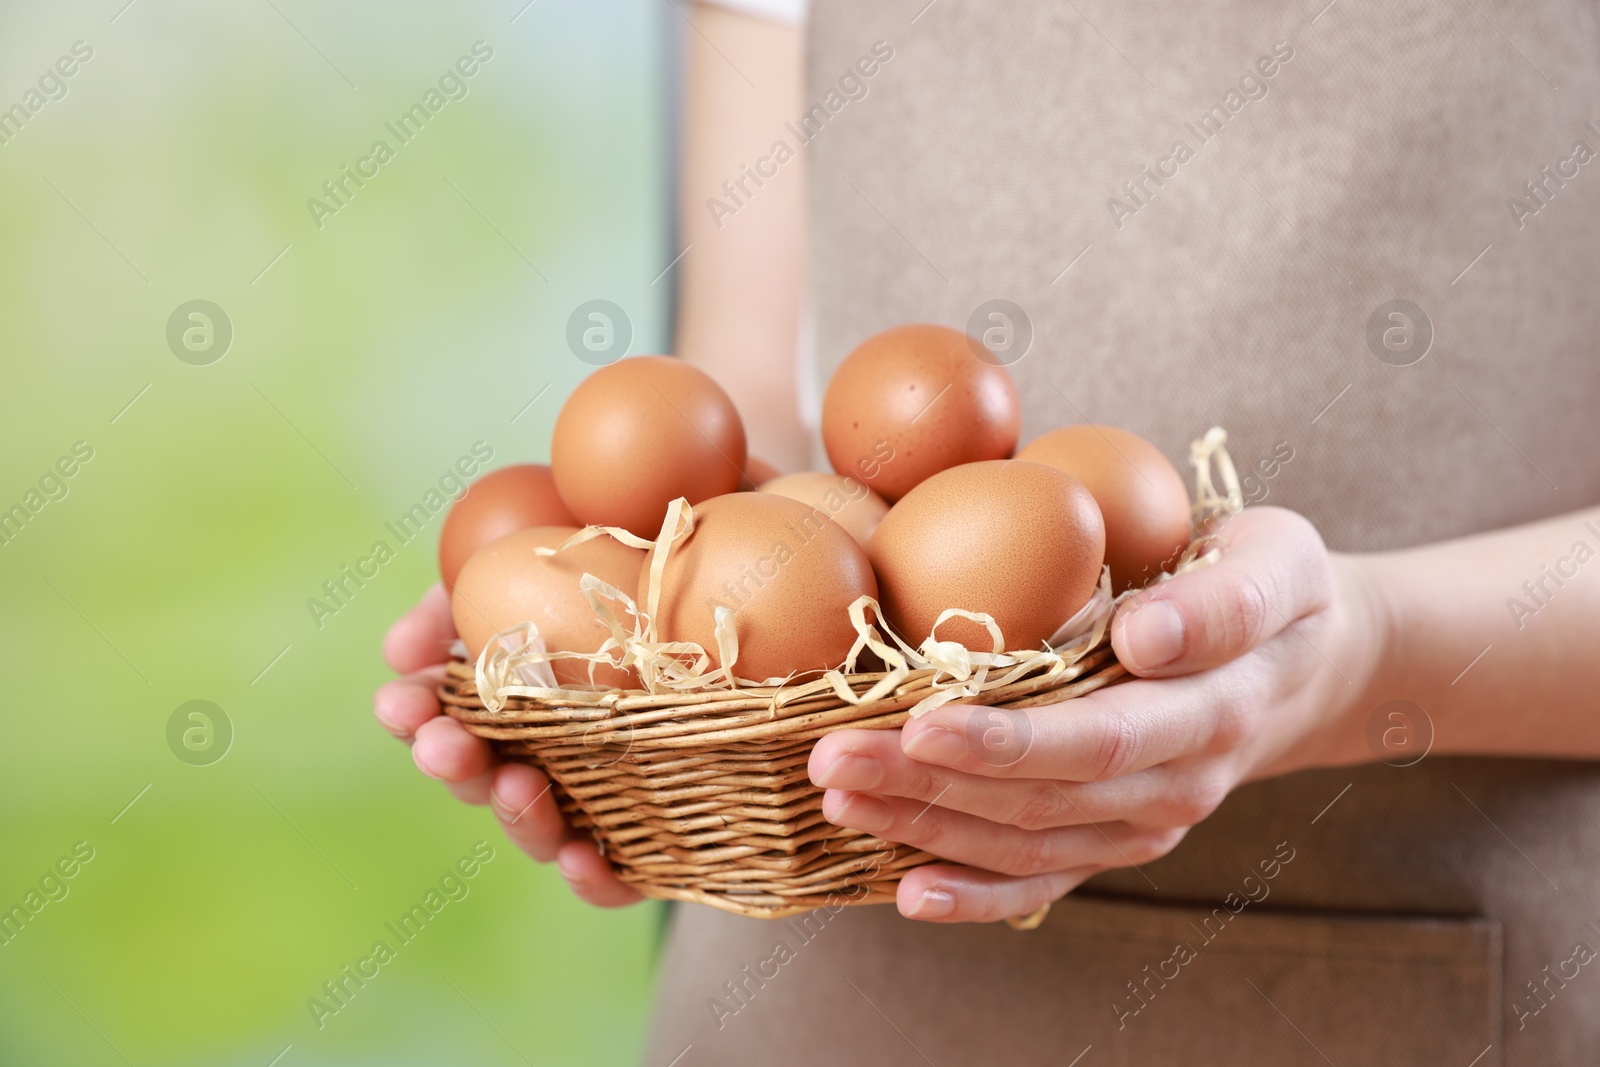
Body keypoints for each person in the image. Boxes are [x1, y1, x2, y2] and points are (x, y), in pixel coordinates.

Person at [376, 1, 1600, 1062]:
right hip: (826, 983)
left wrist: (1363, 654)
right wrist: (622, 633)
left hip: (1455, 969)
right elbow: (728, 416)